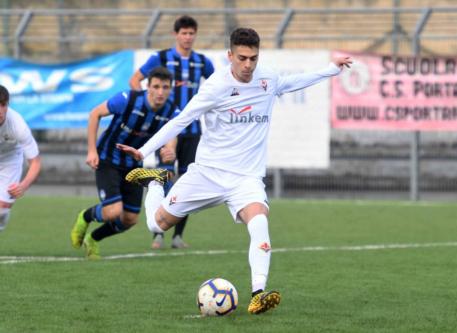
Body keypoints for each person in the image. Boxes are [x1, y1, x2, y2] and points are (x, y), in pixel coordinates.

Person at [118, 28, 352, 314]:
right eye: (242, 58)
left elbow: (292, 83)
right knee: (157, 224)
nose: (248, 65)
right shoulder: (216, 86)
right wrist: (144, 151)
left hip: (246, 178)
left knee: (260, 222)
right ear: (230, 55)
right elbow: (181, 121)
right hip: (208, 174)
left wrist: (331, 69)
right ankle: (155, 184)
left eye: (253, 58)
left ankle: (258, 293)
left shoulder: (267, 77)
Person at [70, 67, 178, 259]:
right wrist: (91, 150)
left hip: (134, 166)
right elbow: (95, 114)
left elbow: (172, 135)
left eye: (165, 87)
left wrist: (170, 150)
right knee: (113, 212)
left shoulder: (171, 110)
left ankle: (93, 239)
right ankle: (85, 216)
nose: (160, 92)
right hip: (108, 159)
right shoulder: (128, 99)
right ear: (148, 87)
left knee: (129, 219)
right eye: (156, 86)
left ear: (170, 89)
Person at [130, 15, 215, 250]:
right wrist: (145, 107)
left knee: (187, 182)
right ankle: (158, 233)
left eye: (191, 33)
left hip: (193, 131)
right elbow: (135, 79)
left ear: (195, 35)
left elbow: (220, 85)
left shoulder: (202, 62)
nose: (187, 37)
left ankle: (178, 236)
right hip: (166, 129)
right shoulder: (161, 58)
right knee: (163, 177)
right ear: (176, 35)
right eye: (184, 33)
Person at [0, 85, 42, 232]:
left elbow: (35, 162)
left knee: (2, 210)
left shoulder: (17, 125)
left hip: (9, 160)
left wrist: (24, 185)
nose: (0, 111)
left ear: (7, 105)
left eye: (3, 105)